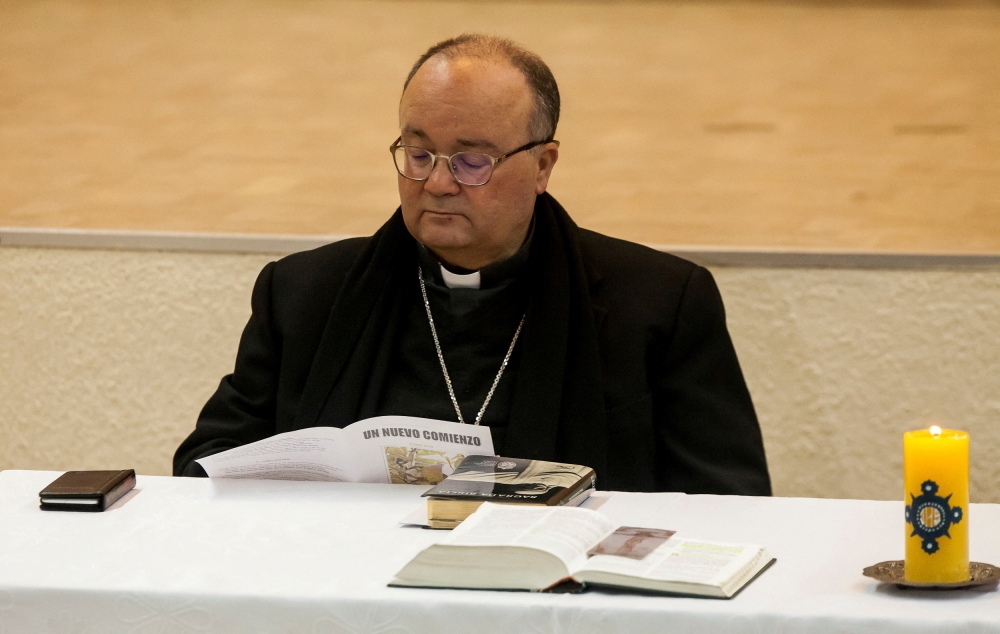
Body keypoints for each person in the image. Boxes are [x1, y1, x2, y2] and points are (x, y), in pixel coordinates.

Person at [174, 34, 771, 495]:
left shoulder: (660, 303)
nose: (437, 182)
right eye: (418, 153)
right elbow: (205, 464)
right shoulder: (304, 292)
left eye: (472, 160)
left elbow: (730, 500)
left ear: (543, 166)